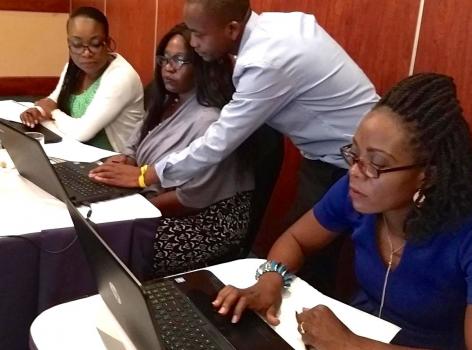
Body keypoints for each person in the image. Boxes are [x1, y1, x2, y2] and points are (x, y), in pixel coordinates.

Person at [211, 73, 472, 349]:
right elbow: (297, 239)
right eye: (355, 154)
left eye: (377, 164)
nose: (357, 172)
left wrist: (350, 344)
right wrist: (270, 281)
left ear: (428, 174)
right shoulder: (356, 192)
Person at [89, 0, 379, 294]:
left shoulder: (264, 62)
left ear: (232, 29)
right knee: (304, 253)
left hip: (354, 162)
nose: (194, 43)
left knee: (309, 266)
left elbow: (217, 142)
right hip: (334, 153)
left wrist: (146, 176)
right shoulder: (277, 28)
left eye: (199, 34)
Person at [94, 23, 254, 275]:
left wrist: (132, 207)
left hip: (206, 221)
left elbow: (191, 199)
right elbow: (134, 145)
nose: (168, 67)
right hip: (157, 198)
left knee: (113, 243)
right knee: (94, 219)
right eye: (165, 58)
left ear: (203, 63)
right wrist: (125, 160)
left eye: (180, 59)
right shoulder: (169, 99)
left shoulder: (208, 120)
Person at [20, 6, 144, 153]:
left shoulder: (121, 77)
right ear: (69, 44)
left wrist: (53, 112)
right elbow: (53, 100)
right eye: (77, 45)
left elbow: (82, 132)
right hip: (76, 150)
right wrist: (37, 111)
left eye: (95, 44)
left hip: (112, 161)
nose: (86, 53)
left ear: (108, 43)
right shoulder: (73, 67)